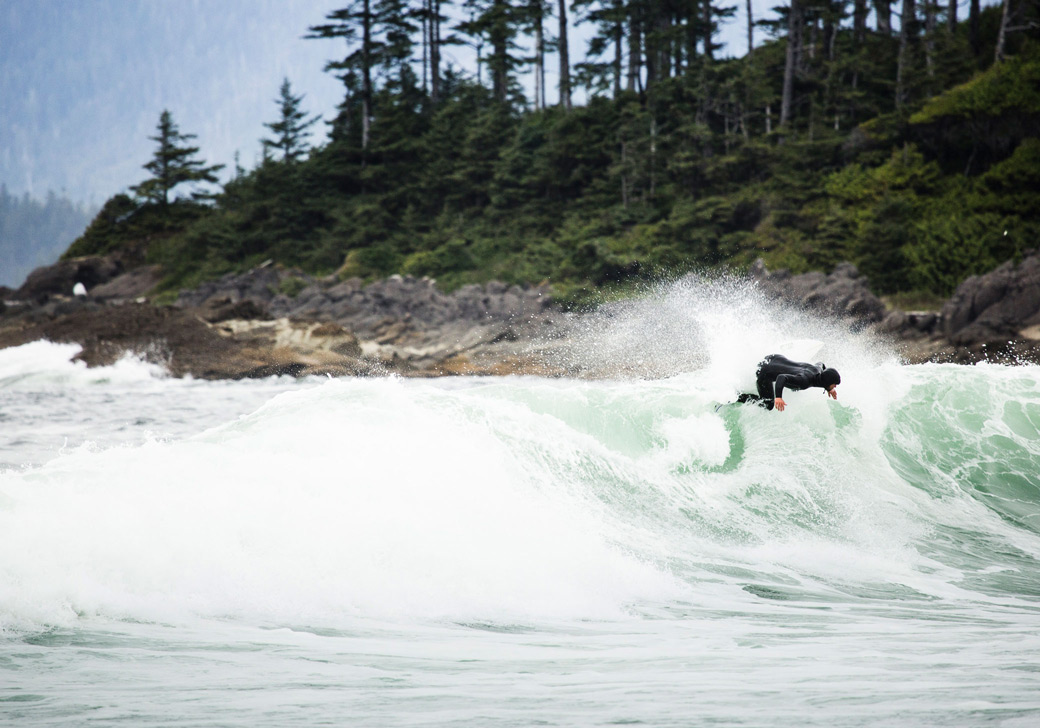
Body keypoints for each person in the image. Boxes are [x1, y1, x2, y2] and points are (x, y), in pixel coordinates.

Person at [735, 354, 840, 412]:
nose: (835, 386)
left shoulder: (817, 370)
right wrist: (778, 397)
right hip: (764, 373)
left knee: (795, 387)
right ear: (826, 381)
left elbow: (821, 364)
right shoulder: (804, 381)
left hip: (773, 357)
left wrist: (829, 388)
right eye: (833, 384)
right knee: (768, 405)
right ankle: (738, 396)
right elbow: (781, 377)